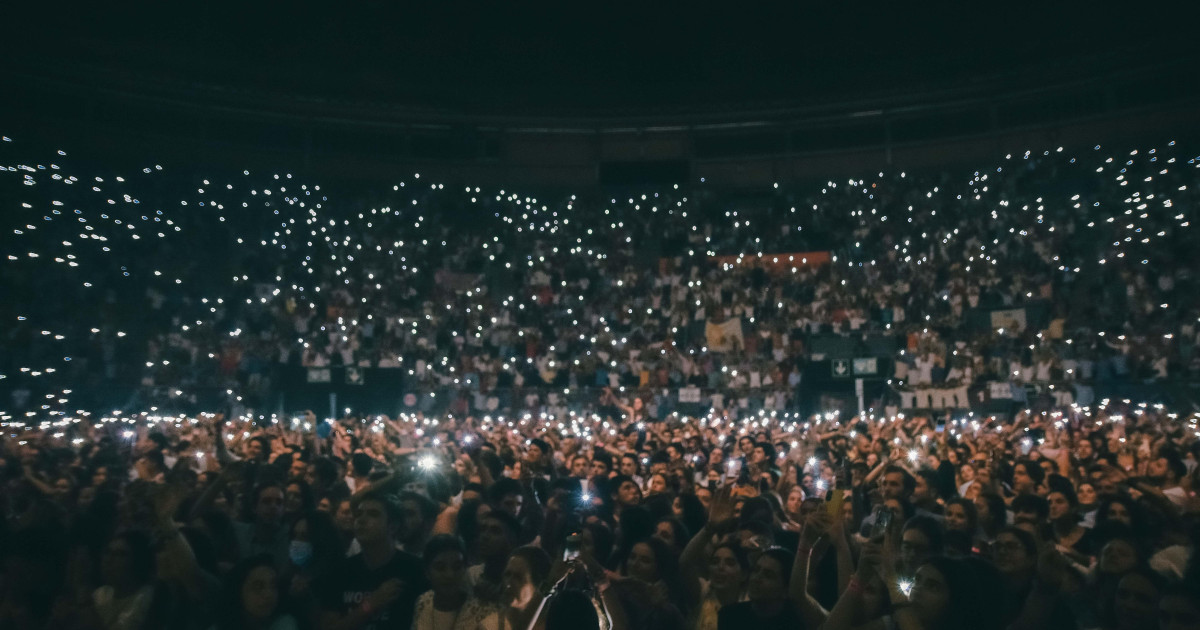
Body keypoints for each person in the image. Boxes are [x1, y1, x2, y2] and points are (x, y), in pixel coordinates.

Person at [316, 490, 426, 630]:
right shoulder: (341, 571)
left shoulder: (413, 570)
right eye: (359, 514)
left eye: (373, 514)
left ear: (393, 526)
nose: (361, 520)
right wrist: (371, 605)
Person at [213, 554, 298, 630]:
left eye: (273, 586)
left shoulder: (284, 624)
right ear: (237, 592)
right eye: (258, 587)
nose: (269, 594)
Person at [411, 535, 473, 630]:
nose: (450, 575)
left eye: (457, 567)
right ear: (427, 572)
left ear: (465, 569)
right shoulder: (424, 601)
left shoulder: (479, 610)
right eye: (440, 568)